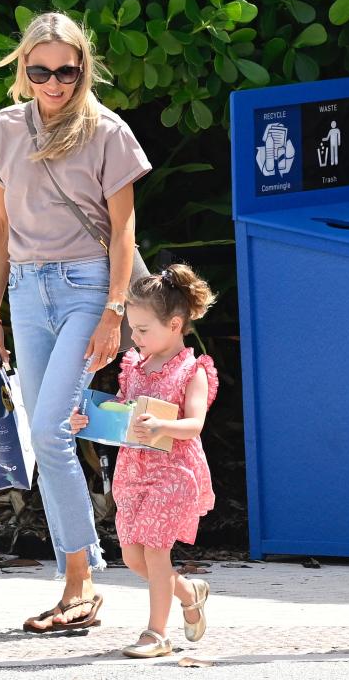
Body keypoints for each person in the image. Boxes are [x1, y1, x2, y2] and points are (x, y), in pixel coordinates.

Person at [0, 11, 152, 632]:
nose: (54, 83)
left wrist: (114, 310)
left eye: (66, 71)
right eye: (41, 70)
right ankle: (82, 579)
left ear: (84, 69)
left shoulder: (106, 131)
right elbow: (0, 227)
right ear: (23, 70)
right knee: (49, 434)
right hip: (25, 291)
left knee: (50, 430)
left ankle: (81, 583)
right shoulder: (3, 130)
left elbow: (124, 229)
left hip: (87, 287)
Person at [69, 264, 218, 658]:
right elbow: (121, 413)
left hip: (173, 473)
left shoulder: (193, 369)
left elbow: (195, 423)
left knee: (155, 551)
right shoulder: (133, 365)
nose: (133, 337)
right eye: (131, 329)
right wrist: (87, 419)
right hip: (133, 471)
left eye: (142, 329)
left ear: (173, 324)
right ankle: (189, 592)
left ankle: (157, 634)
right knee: (134, 557)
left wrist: (161, 427)